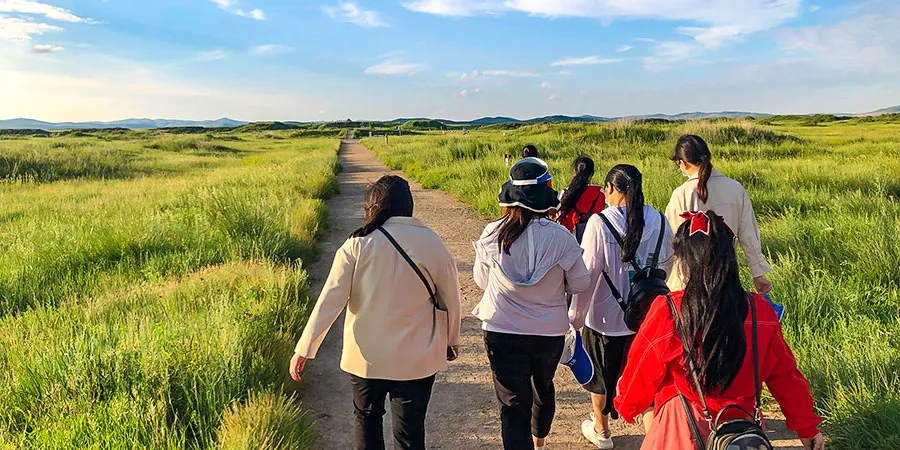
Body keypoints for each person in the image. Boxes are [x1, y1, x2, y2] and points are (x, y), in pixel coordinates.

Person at [614, 211, 824, 450]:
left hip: (681, 425)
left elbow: (641, 369)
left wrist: (629, 405)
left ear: (684, 262)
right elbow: (786, 376)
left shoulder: (669, 310)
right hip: (742, 430)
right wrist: (807, 427)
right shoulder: (759, 312)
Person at [289, 175, 462, 450]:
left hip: (366, 357)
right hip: (417, 358)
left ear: (373, 206)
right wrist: (452, 341)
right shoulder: (432, 243)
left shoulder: (357, 244)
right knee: (410, 434)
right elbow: (451, 299)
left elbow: (330, 299)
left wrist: (305, 348)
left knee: (366, 419)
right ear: (409, 205)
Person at [473, 157, 591, 450]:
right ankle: (539, 442)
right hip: (547, 333)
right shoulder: (561, 237)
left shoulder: (492, 233)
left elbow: (480, 280)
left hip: (501, 329)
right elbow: (581, 284)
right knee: (543, 388)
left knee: (513, 404)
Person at [569, 164, 674, 449]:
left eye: (606, 190)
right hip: (648, 318)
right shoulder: (661, 220)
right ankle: (653, 437)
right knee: (646, 378)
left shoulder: (599, 223)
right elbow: (666, 267)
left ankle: (602, 431)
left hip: (604, 317)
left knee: (601, 376)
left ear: (611, 189)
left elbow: (588, 276)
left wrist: (575, 320)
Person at [667, 134, 773, 294]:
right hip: (727, 277)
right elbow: (748, 235)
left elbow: (670, 241)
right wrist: (757, 274)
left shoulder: (682, 194)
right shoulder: (736, 189)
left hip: (688, 281)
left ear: (682, 163)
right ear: (708, 156)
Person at [557, 155, 605, 243]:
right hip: (595, 241)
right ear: (592, 174)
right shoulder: (600, 193)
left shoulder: (565, 194)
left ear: (575, 172)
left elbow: (560, 221)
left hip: (570, 243)